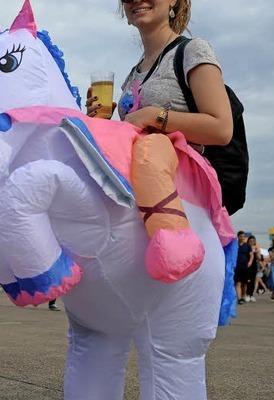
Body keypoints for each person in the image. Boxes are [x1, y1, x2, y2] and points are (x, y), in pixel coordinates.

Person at [87, 0, 232, 280]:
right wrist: (101, 124)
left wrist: (155, 116)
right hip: (139, 204)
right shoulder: (134, 74)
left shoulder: (192, 51)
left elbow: (221, 128)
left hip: (183, 199)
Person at [234, 231, 252, 304]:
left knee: (244, 283)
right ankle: (239, 298)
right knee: (238, 282)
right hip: (236, 266)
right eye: (241, 236)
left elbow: (251, 255)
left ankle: (243, 295)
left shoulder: (247, 246)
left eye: (243, 236)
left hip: (245, 266)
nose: (242, 237)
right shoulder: (235, 245)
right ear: (238, 237)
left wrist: (250, 262)